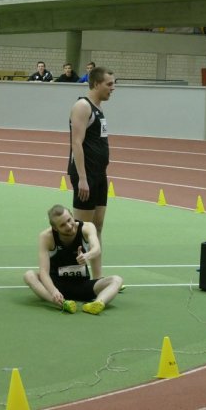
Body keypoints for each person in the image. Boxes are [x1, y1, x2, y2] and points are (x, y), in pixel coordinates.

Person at [23, 205, 123, 315]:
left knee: (116, 280)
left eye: (69, 220)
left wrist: (87, 255)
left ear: (72, 215)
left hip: (83, 285)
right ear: (55, 228)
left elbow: (97, 249)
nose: (69, 226)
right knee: (29, 275)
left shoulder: (87, 227)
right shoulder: (46, 237)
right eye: (62, 225)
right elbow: (44, 272)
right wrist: (54, 291)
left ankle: (97, 304)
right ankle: (62, 303)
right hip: (57, 285)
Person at [67, 67, 116, 279]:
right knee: (80, 230)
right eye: (109, 84)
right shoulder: (82, 106)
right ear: (96, 84)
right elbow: (76, 143)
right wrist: (83, 178)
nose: (113, 88)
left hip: (99, 174)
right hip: (85, 176)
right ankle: (72, 276)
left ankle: (97, 279)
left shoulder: (98, 108)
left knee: (96, 228)